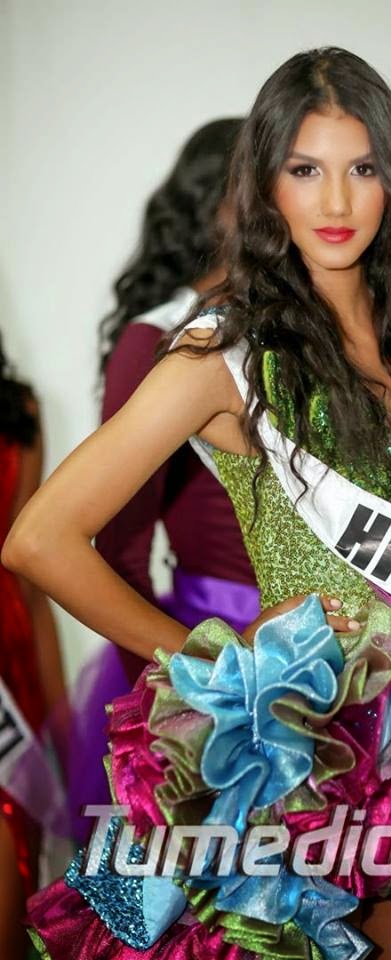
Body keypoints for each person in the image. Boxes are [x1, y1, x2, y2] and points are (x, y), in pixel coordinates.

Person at [4, 47, 391, 960]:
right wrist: (216, 663)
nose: (336, 202)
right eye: (306, 170)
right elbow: (40, 539)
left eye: (362, 169)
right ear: (267, 185)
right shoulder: (221, 355)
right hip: (307, 765)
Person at [62, 120, 261, 842]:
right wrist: (170, 701)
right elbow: (116, 549)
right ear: (211, 203)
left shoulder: (300, 331)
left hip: (324, 647)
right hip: (214, 644)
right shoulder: (157, 338)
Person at [0, 336, 66, 958]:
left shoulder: (16, 408)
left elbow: (29, 574)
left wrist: (59, 712)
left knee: (18, 827)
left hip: (10, 648)